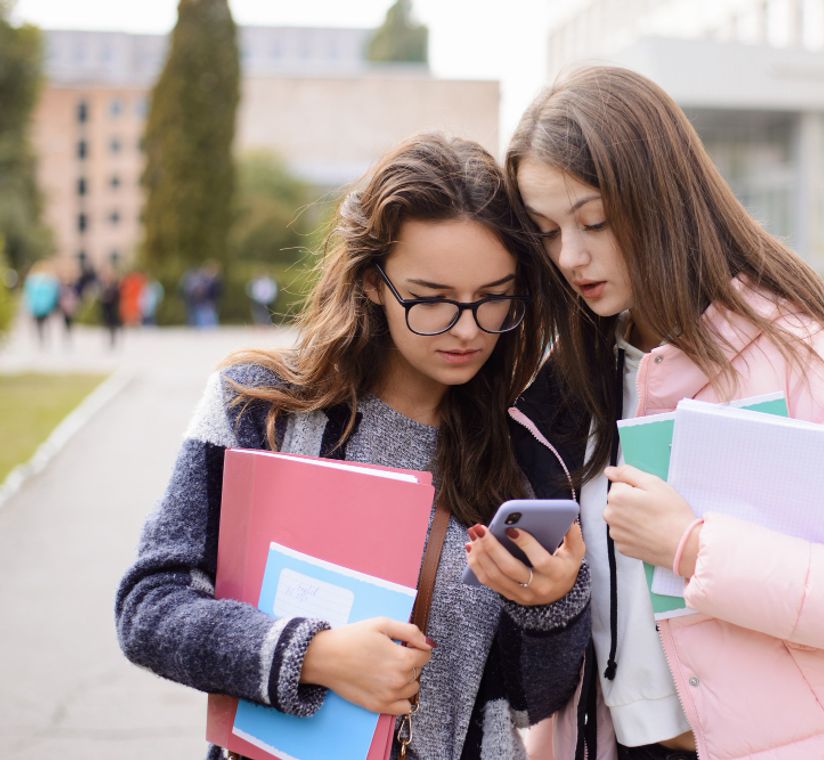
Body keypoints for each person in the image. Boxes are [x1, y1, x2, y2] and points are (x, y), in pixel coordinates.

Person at [503, 66, 824, 760]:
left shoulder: (808, 355)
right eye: (546, 230)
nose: (570, 255)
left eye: (593, 220)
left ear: (661, 199)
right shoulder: (563, 382)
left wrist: (695, 549)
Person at [115, 134, 591, 759]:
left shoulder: (524, 452)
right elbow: (150, 608)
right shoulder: (259, 408)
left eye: (494, 297)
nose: (469, 329)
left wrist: (552, 604)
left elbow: (533, 702)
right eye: (432, 299)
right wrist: (313, 654)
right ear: (371, 281)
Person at [22, 261, 60, 346]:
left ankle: (41, 339)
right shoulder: (50, 280)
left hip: (37, 306)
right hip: (45, 306)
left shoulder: (32, 280)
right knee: (46, 322)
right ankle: (44, 339)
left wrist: (30, 304)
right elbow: (53, 294)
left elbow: (29, 294)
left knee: (39, 323)